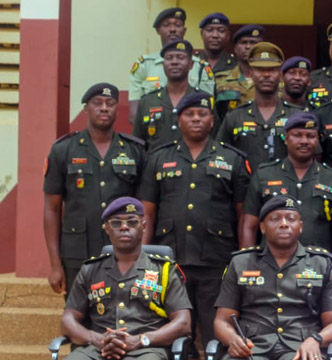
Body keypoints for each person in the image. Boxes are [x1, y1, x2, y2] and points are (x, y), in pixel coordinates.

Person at [138, 92, 251, 350]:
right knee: (174, 336)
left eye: (203, 114)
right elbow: (148, 213)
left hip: (217, 260)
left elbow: (243, 214)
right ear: (179, 120)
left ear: (212, 120)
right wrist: (142, 258)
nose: (196, 119)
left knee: (217, 334)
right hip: (170, 261)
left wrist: (244, 259)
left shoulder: (232, 158)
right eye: (190, 114)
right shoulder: (158, 158)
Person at [215, 195, 332, 360]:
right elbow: (222, 321)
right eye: (275, 219)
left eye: (291, 219)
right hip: (252, 349)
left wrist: (316, 340)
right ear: (262, 227)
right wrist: (233, 339)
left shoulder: (321, 264)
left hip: (301, 348)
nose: (284, 224)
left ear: (300, 227)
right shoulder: (241, 263)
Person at [44, 83, 146, 296]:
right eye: (97, 103)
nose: (104, 108)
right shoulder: (63, 150)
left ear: (118, 109)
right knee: (78, 317)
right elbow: (51, 209)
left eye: (110, 103)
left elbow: (145, 207)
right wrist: (55, 264)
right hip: (77, 252)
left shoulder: (134, 150)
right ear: (86, 108)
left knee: (123, 314)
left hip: (124, 250)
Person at [60, 197, 191, 360]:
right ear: (107, 228)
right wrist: (96, 339)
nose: (124, 227)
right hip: (96, 349)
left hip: (146, 350)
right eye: (116, 223)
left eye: (132, 222)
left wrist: (141, 339)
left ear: (143, 226)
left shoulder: (163, 270)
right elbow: (68, 319)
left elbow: (183, 322)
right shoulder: (91, 269)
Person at [241, 112, 332, 250]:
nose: (304, 141)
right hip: (271, 263)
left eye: (310, 136)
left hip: (315, 265)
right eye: (297, 135)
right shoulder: (264, 174)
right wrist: (248, 265)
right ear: (286, 138)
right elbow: (249, 226)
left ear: (318, 140)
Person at [217, 42, 303, 169]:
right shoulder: (234, 117)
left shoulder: (297, 116)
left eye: (272, 70)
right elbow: (221, 156)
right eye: (260, 69)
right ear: (251, 74)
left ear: (280, 75)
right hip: (244, 186)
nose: (266, 75)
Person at [128, 7, 214, 124]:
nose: (172, 29)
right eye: (166, 25)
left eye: (178, 25)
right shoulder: (144, 65)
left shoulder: (200, 67)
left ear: (184, 30)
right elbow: (134, 116)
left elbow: (207, 111)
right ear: (158, 30)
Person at [134, 40, 214, 150]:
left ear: (190, 65)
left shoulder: (204, 100)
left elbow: (214, 140)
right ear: (163, 65)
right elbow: (138, 143)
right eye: (169, 58)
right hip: (155, 165)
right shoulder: (147, 101)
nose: (174, 62)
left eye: (180, 57)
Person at [214, 24, 264, 117]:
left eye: (253, 43)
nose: (248, 46)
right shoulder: (219, 79)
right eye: (243, 42)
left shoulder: (275, 80)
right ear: (235, 49)